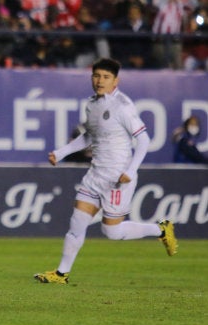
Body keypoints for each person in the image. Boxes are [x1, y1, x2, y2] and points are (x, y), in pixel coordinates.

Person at [34, 58, 178, 285]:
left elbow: (143, 140)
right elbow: (90, 136)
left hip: (118, 178)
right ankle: (61, 273)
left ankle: (160, 229)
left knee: (111, 232)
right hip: (95, 175)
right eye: (97, 76)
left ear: (115, 81)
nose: (100, 81)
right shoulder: (92, 103)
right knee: (77, 222)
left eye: (106, 77)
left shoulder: (122, 106)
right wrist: (61, 153)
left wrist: (130, 170)